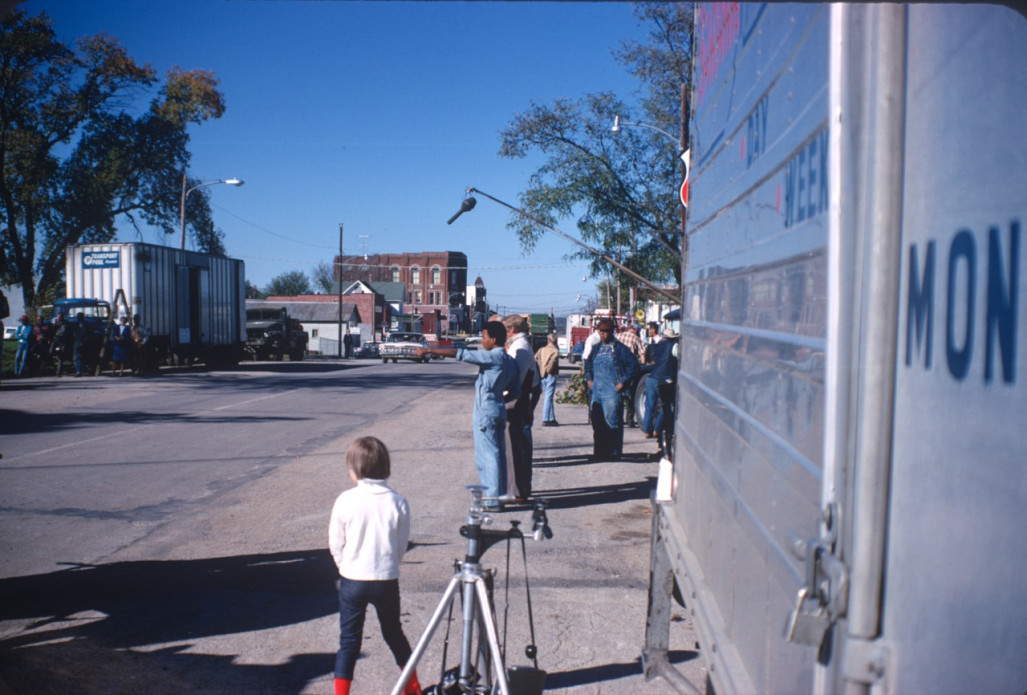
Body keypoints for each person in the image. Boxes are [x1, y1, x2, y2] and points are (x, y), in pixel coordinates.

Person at [328, 436, 421, 695]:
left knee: (348, 642)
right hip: (386, 579)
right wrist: (389, 565)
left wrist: (344, 566)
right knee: (394, 633)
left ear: (356, 470)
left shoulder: (345, 499)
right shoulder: (398, 502)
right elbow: (401, 545)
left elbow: (336, 542)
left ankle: (341, 692)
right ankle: (412, 688)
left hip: (352, 579)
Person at [415, 321, 520, 510]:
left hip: (486, 409)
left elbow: (460, 354)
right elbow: (515, 391)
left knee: (488, 455)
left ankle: (493, 500)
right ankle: (499, 495)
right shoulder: (510, 361)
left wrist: (430, 350)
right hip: (498, 407)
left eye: (485, 336)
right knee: (498, 454)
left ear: (493, 339)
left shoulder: (492, 357)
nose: (482, 340)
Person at [583, 317, 640, 461]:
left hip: (612, 391)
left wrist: (622, 383)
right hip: (597, 391)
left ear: (612, 331)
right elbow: (587, 364)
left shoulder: (620, 349)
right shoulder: (596, 348)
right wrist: (589, 379)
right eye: (601, 331)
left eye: (606, 331)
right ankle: (599, 453)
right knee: (597, 422)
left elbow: (634, 367)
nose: (603, 334)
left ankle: (614, 453)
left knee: (612, 421)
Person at [502, 315, 540, 502]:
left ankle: (520, 490)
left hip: (517, 401)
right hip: (521, 399)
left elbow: (515, 381)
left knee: (516, 448)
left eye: (504, 329)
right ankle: (521, 488)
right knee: (519, 447)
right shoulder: (522, 346)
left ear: (512, 330)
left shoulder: (520, 349)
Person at [648, 328, 679, 458]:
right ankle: (661, 434)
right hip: (668, 379)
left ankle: (653, 432)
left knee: (657, 407)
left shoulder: (657, 346)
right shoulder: (675, 346)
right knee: (668, 408)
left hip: (656, 378)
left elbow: (653, 360)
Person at [615, 325, 644, 428]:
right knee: (630, 394)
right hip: (629, 369)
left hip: (617, 368)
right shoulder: (636, 339)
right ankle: (629, 419)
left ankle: (618, 418)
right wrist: (642, 366)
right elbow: (642, 354)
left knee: (618, 393)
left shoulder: (617, 336)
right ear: (635, 330)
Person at [641, 322, 663, 438]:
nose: (647, 331)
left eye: (649, 329)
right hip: (652, 371)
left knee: (654, 404)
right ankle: (648, 430)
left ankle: (652, 429)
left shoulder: (659, 341)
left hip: (656, 372)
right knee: (650, 405)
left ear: (654, 330)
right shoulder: (649, 341)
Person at [535, 333, 560, 426]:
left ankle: (551, 418)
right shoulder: (555, 351)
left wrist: (541, 368)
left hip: (542, 376)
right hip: (550, 375)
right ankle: (545, 419)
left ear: (548, 340)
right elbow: (552, 362)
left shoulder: (541, 350)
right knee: (548, 398)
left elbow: (535, 359)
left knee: (548, 398)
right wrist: (548, 370)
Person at [72, 312, 91, 376]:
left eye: (80, 316)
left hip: (85, 343)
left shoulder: (87, 324)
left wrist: (85, 339)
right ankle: (78, 371)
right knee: (76, 357)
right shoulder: (75, 324)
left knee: (85, 356)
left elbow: (89, 333)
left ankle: (88, 369)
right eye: (78, 317)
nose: (79, 318)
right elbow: (74, 333)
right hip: (77, 342)